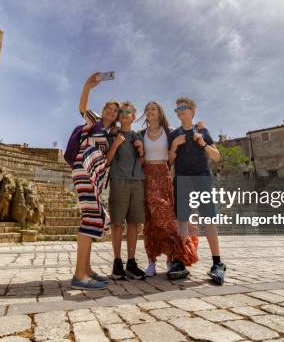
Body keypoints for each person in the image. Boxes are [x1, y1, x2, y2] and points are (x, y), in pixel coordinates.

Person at [168, 97, 226, 285]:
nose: (179, 111)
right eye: (177, 109)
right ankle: (180, 261)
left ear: (193, 110)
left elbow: (217, 157)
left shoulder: (202, 131)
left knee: (208, 219)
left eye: (183, 107)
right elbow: (169, 161)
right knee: (182, 220)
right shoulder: (174, 134)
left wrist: (202, 143)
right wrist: (175, 145)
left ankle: (217, 264)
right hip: (182, 177)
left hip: (202, 176)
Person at [140, 102, 199, 280]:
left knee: (167, 218)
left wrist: (199, 128)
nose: (150, 112)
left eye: (153, 109)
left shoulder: (170, 131)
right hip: (147, 178)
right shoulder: (141, 134)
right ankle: (151, 262)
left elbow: (186, 138)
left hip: (164, 177)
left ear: (159, 113)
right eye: (148, 109)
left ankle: (171, 258)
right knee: (150, 221)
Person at [71, 72, 119, 290]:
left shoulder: (111, 133)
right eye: (109, 108)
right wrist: (87, 86)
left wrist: (116, 144)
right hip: (84, 170)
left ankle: (87, 269)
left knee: (92, 217)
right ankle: (79, 275)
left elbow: (107, 162)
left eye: (114, 110)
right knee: (90, 218)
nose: (110, 111)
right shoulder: (95, 121)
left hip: (97, 175)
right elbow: (82, 107)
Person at [106, 101, 146, 280]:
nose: (124, 113)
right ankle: (117, 263)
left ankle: (131, 262)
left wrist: (141, 150)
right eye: (121, 111)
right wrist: (115, 143)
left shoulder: (139, 136)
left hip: (137, 181)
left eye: (128, 111)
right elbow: (106, 161)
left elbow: (143, 162)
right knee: (117, 223)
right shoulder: (112, 134)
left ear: (133, 116)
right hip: (118, 181)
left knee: (133, 223)